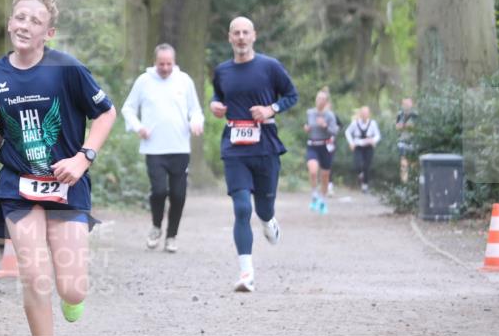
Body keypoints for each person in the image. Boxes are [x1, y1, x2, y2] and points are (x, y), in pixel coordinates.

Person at [0, 0, 117, 336]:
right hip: (18, 186)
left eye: (34, 21)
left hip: (67, 185)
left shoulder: (67, 69)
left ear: (48, 32)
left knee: (71, 289)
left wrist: (83, 158)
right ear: (9, 23)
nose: (24, 25)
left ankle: (73, 299)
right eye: (20, 17)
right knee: (35, 278)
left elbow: (106, 112)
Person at [210, 17, 298, 292]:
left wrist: (271, 109)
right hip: (234, 146)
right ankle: (246, 273)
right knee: (241, 208)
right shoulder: (222, 71)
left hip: (266, 146)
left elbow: (291, 95)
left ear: (254, 36)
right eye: (236, 32)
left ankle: (269, 220)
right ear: (229, 38)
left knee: (262, 209)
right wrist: (215, 105)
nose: (240, 37)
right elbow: (218, 96)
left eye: (245, 32)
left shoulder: (270, 67)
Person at [121, 43, 204, 253]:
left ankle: (172, 236)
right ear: (154, 62)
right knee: (158, 191)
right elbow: (128, 108)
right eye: (161, 64)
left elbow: (196, 110)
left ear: (174, 62)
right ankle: (156, 226)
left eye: (169, 64)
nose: (165, 68)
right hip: (154, 148)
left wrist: (196, 122)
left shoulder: (184, 81)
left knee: (178, 194)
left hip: (179, 147)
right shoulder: (144, 81)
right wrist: (138, 127)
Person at [304, 89, 339, 214]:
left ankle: (323, 200)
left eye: (323, 99)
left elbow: (335, 131)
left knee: (325, 175)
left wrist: (325, 126)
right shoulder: (310, 113)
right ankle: (314, 194)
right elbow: (307, 125)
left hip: (325, 146)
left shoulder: (330, 115)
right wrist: (307, 128)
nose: (320, 101)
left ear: (326, 102)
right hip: (312, 145)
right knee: (313, 171)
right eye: (318, 98)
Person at [345, 106, 381, 192]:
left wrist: (373, 140)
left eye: (366, 113)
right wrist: (351, 143)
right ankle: (360, 174)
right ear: (360, 114)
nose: (364, 115)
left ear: (369, 114)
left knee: (366, 166)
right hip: (358, 146)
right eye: (363, 113)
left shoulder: (373, 123)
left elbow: (378, 135)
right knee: (358, 164)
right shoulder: (355, 123)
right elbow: (347, 132)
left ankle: (365, 185)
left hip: (368, 146)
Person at [395, 97, 418, 183]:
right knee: (403, 163)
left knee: (413, 163)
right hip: (402, 141)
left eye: (408, 103)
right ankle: (404, 182)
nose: (406, 105)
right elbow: (397, 127)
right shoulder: (400, 114)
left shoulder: (415, 115)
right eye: (404, 104)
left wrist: (404, 126)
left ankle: (413, 181)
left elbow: (415, 127)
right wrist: (405, 126)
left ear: (411, 104)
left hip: (413, 142)